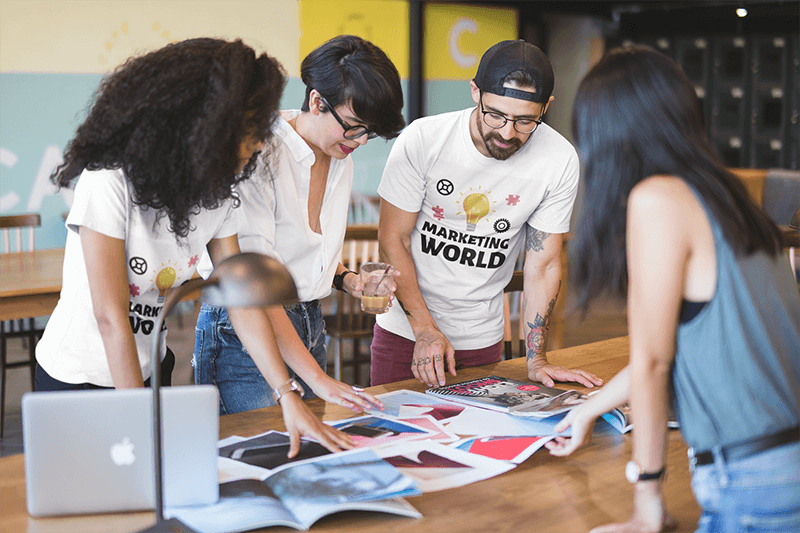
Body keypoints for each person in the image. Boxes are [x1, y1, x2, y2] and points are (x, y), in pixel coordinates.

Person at [36, 38, 356, 456]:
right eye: (250, 129)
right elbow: (110, 317)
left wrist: (287, 393)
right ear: (206, 125)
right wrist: (140, 423)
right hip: (79, 380)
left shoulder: (216, 195)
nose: (260, 143)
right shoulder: (108, 180)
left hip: (151, 368)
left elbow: (243, 303)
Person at [544, 45, 800, 533]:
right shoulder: (727, 196)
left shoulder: (657, 199)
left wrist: (647, 500)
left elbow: (653, 364)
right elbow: (673, 348)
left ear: (607, 134)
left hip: (751, 479)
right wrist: (588, 410)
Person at [371, 39, 603, 390]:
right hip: (406, 334)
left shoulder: (558, 159)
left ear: (546, 107)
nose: (508, 133)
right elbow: (393, 240)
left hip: (482, 339)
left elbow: (543, 265)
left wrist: (536, 358)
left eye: (526, 120)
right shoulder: (424, 139)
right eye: (495, 115)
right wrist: (424, 330)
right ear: (475, 92)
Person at [194, 35, 405, 414]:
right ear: (317, 101)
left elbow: (306, 251)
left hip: (309, 319)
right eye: (354, 126)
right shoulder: (258, 153)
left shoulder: (339, 156)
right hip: (244, 326)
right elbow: (254, 285)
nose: (360, 141)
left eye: (369, 132)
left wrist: (349, 280)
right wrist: (318, 378)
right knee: (257, 443)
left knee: (304, 444)